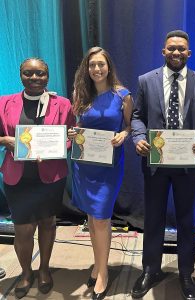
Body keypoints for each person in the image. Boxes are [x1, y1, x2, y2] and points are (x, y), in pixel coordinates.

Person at [131, 30, 195, 300]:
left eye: (181, 49)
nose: (176, 52)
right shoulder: (146, 80)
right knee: (153, 219)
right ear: (163, 51)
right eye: (171, 48)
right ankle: (150, 270)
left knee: (186, 221)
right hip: (155, 163)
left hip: (188, 164)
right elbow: (136, 116)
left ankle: (185, 274)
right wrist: (139, 137)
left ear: (188, 53)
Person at [0, 58, 75, 299]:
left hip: (50, 175)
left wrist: (57, 148)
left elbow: (71, 135)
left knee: (47, 223)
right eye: (28, 73)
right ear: (20, 75)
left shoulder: (62, 104)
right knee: (22, 229)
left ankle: (44, 269)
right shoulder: (4, 103)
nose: (34, 78)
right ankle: (25, 272)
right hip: (17, 176)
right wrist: (4, 141)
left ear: (48, 76)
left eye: (40, 73)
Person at [68, 47, 133, 300]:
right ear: (87, 68)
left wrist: (124, 134)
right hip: (84, 166)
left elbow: (129, 125)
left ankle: (103, 272)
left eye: (101, 65)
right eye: (92, 65)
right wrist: (74, 132)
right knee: (91, 219)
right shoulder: (80, 94)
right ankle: (97, 264)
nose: (96, 69)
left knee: (102, 218)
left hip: (109, 166)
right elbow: (80, 126)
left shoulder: (122, 95)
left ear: (108, 67)